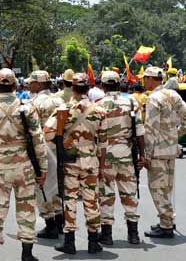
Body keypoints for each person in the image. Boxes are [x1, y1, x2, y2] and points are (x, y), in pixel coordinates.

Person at [0, 68, 47, 261]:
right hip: (24, 166)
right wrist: (43, 167)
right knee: (26, 209)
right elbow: (38, 140)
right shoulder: (27, 107)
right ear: (16, 85)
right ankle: (27, 254)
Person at [47, 73, 106, 255]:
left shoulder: (63, 109)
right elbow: (103, 142)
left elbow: (47, 132)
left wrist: (63, 142)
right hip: (91, 160)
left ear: (72, 88)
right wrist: (101, 166)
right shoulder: (100, 111)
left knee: (70, 200)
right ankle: (93, 242)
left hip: (70, 160)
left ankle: (70, 242)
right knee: (91, 200)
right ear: (89, 89)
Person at [97, 71, 145, 245]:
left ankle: (107, 235)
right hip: (126, 153)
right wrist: (143, 155)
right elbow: (139, 132)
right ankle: (133, 234)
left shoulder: (98, 105)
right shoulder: (132, 102)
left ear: (102, 86)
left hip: (105, 156)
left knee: (106, 195)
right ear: (119, 84)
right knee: (129, 194)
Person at [142, 66, 186, 238]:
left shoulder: (153, 98)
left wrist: (146, 155)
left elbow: (151, 128)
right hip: (171, 148)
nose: (144, 81)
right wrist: (177, 132)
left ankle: (166, 225)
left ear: (152, 79)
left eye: (146, 78)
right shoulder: (173, 95)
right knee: (166, 187)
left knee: (157, 188)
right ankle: (165, 220)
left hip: (158, 151)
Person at [28, 70, 65, 239]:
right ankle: (60, 220)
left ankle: (50, 224)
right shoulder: (60, 99)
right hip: (60, 147)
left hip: (42, 149)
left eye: (32, 82)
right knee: (57, 185)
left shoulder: (34, 102)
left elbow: (30, 129)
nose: (29, 85)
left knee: (40, 186)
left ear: (39, 84)